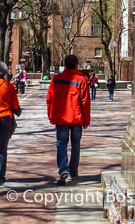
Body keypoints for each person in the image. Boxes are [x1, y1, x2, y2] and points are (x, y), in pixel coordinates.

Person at [46, 54, 90, 185]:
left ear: (65, 64)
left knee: (61, 143)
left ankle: (63, 169)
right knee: (75, 145)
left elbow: (49, 98)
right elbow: (85, 101)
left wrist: (51, 116)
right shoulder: (81, 79)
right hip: (76, 117)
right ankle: (73, 171)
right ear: (76, 65)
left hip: (61, 117)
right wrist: (86, 120)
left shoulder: (56, 79)